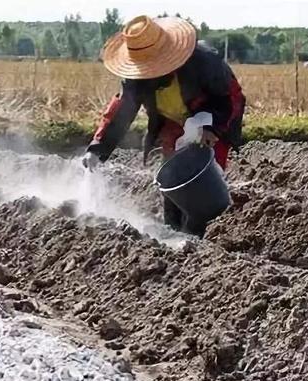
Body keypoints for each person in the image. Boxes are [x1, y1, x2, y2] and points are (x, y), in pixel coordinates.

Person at [82, 15, 245, 236]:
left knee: (200, 182)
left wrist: (211, 127)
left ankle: (199, 240)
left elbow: (229, 99)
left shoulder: (204, 62)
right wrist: (98, 149)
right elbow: (122, 111)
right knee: (174, 179)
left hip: (212, 117)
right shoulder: (137, 78)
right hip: (173, 122)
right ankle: (173, 234)